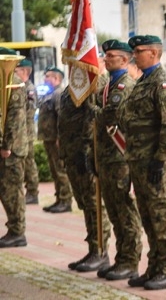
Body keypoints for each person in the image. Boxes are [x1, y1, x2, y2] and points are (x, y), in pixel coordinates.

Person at [119, 34, 166, 291]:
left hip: (156, 163)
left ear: (154, 54)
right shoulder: (142, 81)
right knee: (147, 215)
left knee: (161, 216)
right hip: (139, 160)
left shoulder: (163, 82)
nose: (134, 56)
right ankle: (155, 266)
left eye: (139, 51)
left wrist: (159, 159)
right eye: (133, 52)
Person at [91, 39, 142, 281]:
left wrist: (92, 111)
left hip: (120, 157)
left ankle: (130, 261)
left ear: (124, 60)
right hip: (106, 157)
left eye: (110, 56)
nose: (105, 59)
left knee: (125, 211)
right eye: (105, 55)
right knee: (113, 210)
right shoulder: (108, 87)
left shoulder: (126, 86)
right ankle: (121, 258)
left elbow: (110, 115)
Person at [57, 80, 111, 273]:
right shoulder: (71, 85)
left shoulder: (94, 83)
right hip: (71, 153)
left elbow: (91, 118)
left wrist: (86, 149)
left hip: (84, 153)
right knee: (85, 204)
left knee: (94, 203)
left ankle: (101, 251)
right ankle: (92, 249)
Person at [0, 47, 29, 248]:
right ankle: (13, 228)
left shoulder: (15, 84)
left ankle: (18, 232)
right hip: (4, 147)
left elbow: (14, 119)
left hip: (12, 149)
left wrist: (6, 145)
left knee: (12, 191)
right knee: (5, 190)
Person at [37, 66, 73, 213]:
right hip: (49, 138)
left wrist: (60, 137)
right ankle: (59, 198)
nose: (45, 79)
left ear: (57, 79)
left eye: (49, 76)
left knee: (60, 170)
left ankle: (65, 200)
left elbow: (61, 117)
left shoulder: (59, 94)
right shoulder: (50, 94)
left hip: (55, 138)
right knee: (54, 170)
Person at [14, 58, 40, 205]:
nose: (15, 74)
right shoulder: (21, 87)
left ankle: (32, 192)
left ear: (25, 72)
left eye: (17, 71)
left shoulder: (29, 89)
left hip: (27, 133)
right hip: (21, 132)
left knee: (29, 163)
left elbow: (28, 112)